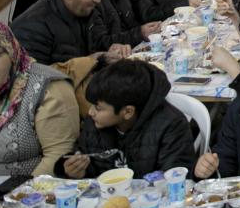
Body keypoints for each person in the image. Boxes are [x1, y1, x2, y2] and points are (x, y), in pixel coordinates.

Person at [59, 59, 196, 179]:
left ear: (128, 112)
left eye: (98, 108)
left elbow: (175, 176)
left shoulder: (171, 125)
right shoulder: (95, 122)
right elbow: (90, 164)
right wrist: (78, 172)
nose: (90, 112)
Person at [0, 20, 79, 177]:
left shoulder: (49, 88)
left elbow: (58, 155)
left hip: (26, 191)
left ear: (12, 52)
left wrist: (21, 196)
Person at [12, 0, 134, 65]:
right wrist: (90, 62)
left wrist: (112, 49)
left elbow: (97, 45)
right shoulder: (33, 27)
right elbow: (36, 81)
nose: (98, 0)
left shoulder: (84, 9)